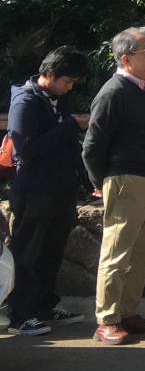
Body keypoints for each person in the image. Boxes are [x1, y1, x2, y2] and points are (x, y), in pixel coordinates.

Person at [82, 27, 145, 346]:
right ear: (125, 58)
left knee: (142, 252)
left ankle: (128, 312)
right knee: (116, 253)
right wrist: (100, 182)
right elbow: (92, 145)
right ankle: (106, 320)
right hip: (125, 179)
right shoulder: (113, 92)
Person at [5, 47, 91, 337]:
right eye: (67, 81)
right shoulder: (25, 101)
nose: (70, 87)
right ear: (50, 73)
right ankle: (20, 315)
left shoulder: (58, 100)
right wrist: (68, 126)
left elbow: (68, 145)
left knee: (52, 251)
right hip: (34, 189)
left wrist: (84, 178)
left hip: (62, 188)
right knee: (27, 252)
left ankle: (44, 305)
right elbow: (26, 149)